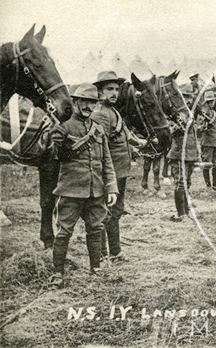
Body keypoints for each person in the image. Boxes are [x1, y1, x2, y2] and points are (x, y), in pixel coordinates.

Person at [48, 83, 118, 288]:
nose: (88, 106)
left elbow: (107, 161)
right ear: (76, 102)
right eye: (84, 102)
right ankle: (57, 274)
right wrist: (57, 142)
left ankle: (95, 269)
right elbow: (54, 156)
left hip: (96, 191)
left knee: (96, 229)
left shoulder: (98, 130)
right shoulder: (63, 128)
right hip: (70, 190)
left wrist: (112, 187)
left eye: (92, 102)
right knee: (63, 231)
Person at [90, 71, 145, 262]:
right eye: (109, 89)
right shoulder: (99, 114)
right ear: (99, 92)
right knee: (107, 213)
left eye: (116, 89)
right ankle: (105, 254)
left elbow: (126, 135)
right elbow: (100, 147)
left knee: (116, 211)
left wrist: (141, 144)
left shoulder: (113, 111)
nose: (114, 93)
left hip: (121, 171)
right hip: (110, 173)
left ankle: (115, 252)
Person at [167, 84, 200, 221]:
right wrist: (178, 125)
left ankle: (186, 210)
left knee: (188, 183)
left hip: (190, 154)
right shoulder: (173, 113)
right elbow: (170, 130)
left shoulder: (190, 113)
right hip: (178, 154)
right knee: (180, 183)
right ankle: (180, 213)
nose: (187, 100)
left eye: (189, 97)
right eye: (184, 97)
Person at [199, 89, 216, 191]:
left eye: (213, 101)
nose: (213, 103)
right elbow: (200, 128)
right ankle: (208, 186)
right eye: (211, 101)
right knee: (207, 164)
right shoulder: (203, 114)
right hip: (208, 143)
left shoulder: (214, 113)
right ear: (207, 102)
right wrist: (205, 126)